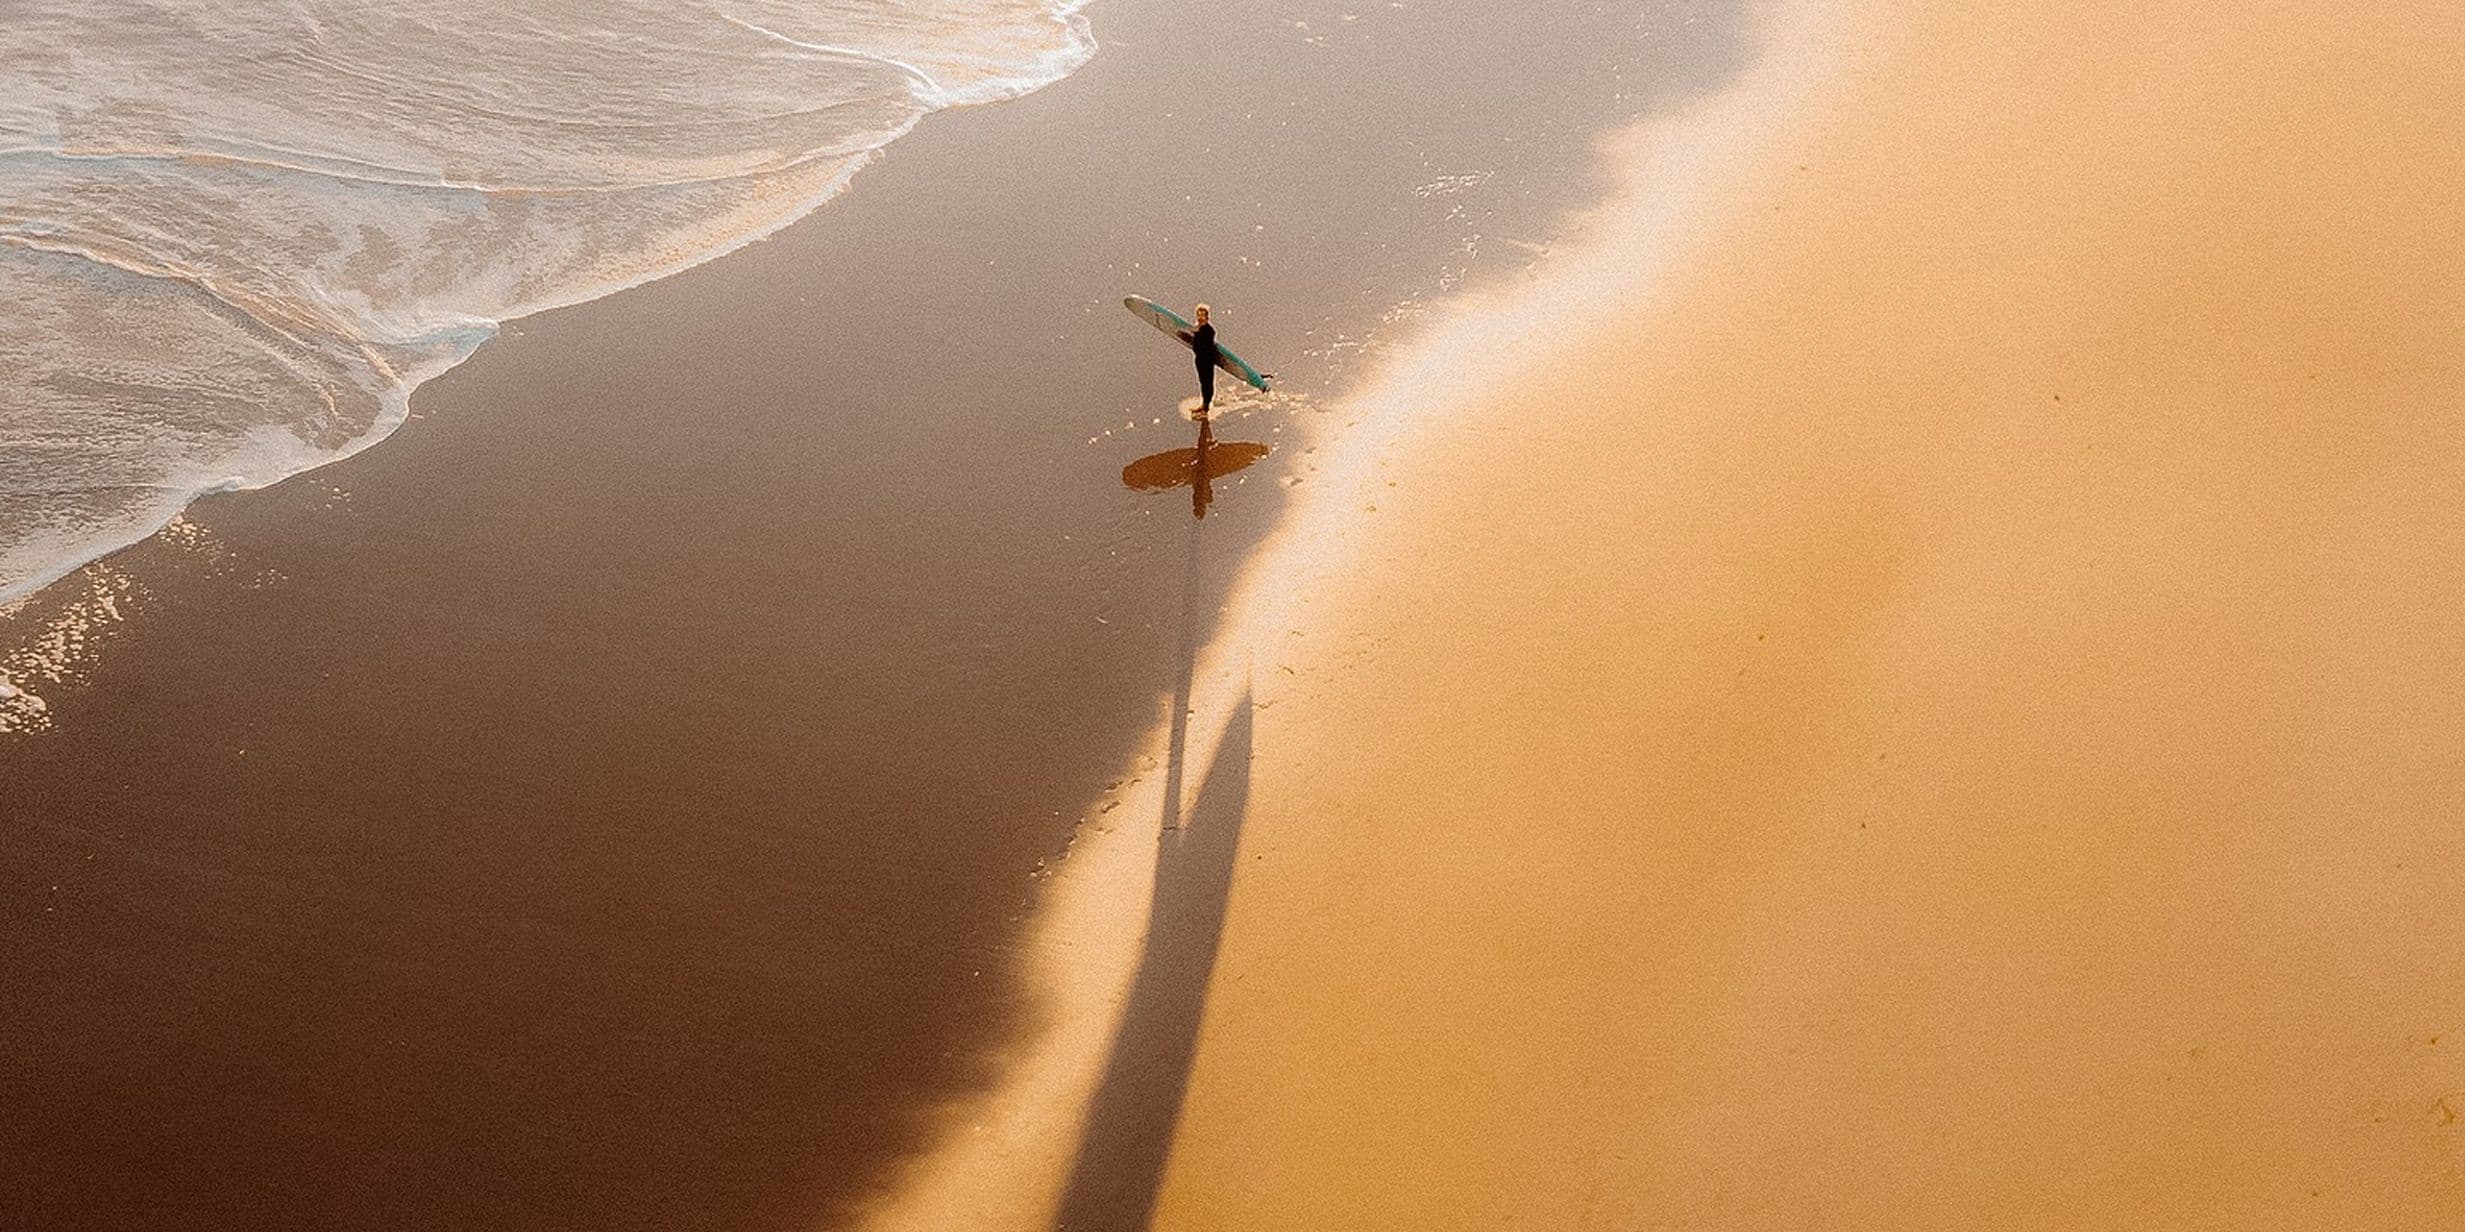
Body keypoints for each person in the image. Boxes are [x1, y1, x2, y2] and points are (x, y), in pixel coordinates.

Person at [1189, 303, 1219, 417]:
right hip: (1199, 359)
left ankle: (1206, 409)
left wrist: (1196, 332)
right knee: (1202, 383)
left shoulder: (1209, 330)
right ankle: (1203, 405)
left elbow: (1206, 345)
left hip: (1207, 360)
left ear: (1207, 316)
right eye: (1199, 315)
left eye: (1203, 315)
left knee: (1207, 383)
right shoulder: (1197, 328)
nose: (1200, 317)